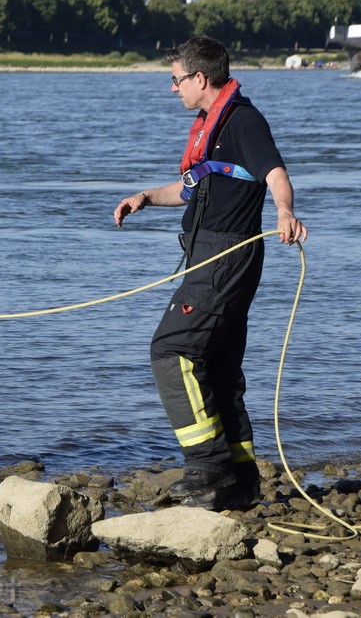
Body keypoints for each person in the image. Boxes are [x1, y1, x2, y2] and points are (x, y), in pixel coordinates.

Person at [113, 36, 307, 509]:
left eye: (176, 79)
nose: (172, 88)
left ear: (200, 79)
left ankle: (206, 467)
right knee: (218, 365)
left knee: (171, 350)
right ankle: (240, 481)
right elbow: (190, 188)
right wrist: (144, 197)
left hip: (226, 257)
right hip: (210, 255)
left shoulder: (244, 121)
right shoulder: (208, 125)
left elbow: (276, 175)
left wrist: (284, 213)